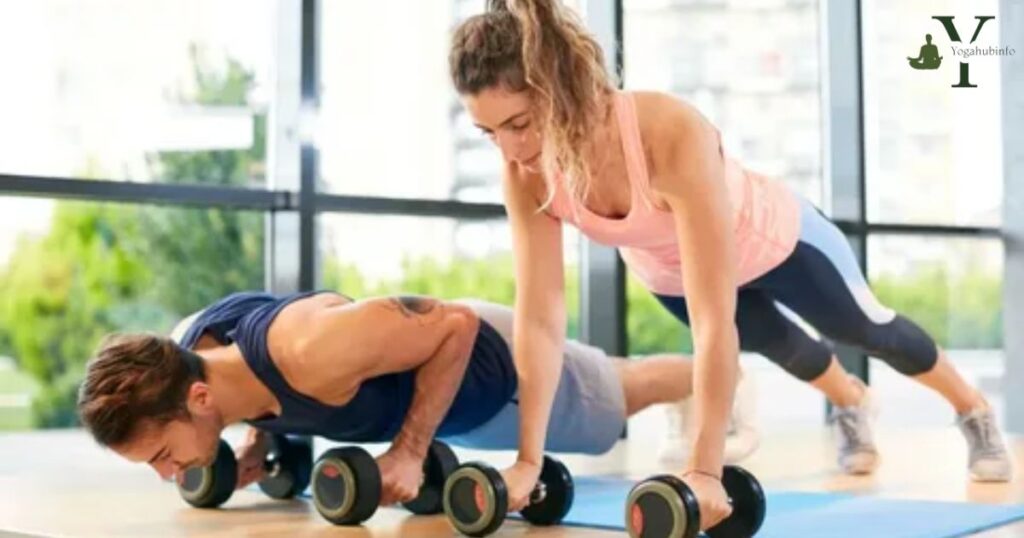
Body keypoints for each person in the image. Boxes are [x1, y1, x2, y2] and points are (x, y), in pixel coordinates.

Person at [448, 0, 1011, 529]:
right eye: (487, 132)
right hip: (667, 269)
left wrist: (704, 470)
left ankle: (974, 410)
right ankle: (852, 402)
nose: (509, 150)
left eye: (518, 124)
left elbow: (716, 318)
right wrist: (527, 459)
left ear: (561, 88)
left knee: (864, 330)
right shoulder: (527, 174)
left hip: (774, 240)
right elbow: (541, 317)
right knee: (785, 349)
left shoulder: (666, 132)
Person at [77, 290, 759, 506]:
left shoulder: (310, 349)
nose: (172, 475)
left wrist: (408, 450)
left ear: (196, 398)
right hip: (448, 398)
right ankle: (699, 384)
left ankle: (724, 377)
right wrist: (259, 437)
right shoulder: (189, 352)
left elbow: (451, 327)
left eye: (164, 455)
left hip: (490, 365)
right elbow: (250, 386)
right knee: (614, 381)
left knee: (620, 393)